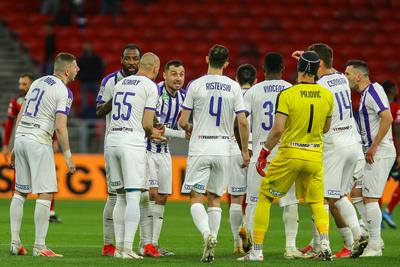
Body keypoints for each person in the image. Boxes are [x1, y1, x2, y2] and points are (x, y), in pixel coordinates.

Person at [238, 51, 334, 262]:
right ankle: (318, 243)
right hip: (313, 154)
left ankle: (255, 249)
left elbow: (269, 127)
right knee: (309, 201)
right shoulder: (326, 94)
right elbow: (326, 128)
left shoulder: (271, 93)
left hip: (284, 152)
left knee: (260, 198)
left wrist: (260, 152)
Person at [179, 44, 250, 263]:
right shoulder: (234, 86)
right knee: (216, 198)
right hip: (223, 148)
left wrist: (189, 127)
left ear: (206, 58)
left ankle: (206, 235)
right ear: (227, 63)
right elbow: (242, 122)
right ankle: (214, 240)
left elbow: (183, 120)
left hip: (201, 146)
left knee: (195, 197)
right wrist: (245, 150)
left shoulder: (195, 85)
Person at [294, 44, 365, 258]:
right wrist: (307, 60)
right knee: (338, 196)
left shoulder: (320, 86)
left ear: (320, 64)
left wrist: (305, 69)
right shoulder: (342, 78)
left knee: (322, 198)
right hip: (352, 142)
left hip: (334, 144)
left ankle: (342, 241)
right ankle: (347, 238)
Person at [9, 52, 78, 257]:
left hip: (21, 137)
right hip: (39, 140)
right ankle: (40, 247)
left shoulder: (37, 82)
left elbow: (21, 112)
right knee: (46, 192)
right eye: (75, 67)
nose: (78, 70)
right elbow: (60, 126)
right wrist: (68, 156)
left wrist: (15, 143)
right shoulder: (64, 91)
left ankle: (15, 242)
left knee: (20, 192)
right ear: (66, 70)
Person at [238, 54, 302, 259]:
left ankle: (254, 250)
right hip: (286, 152)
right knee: (290, 201)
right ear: (283, 68)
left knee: (256, 200)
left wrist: (244, 150)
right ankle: (291, 247)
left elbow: (240, 121)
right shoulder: (292, 90)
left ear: (263, 69)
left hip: (260, 150)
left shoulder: (252, 92)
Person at [104, 52, 162, 260]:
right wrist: (155, 133)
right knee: (134, 196)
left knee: (119, 196)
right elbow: (147, 124)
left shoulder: (121, 83)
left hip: (112, 141)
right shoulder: (150, 86)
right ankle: (127, 248)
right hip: (131, 143)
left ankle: (119, 248)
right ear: (155, 68)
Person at [345, 60, 396, 257]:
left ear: (359, 76)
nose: (346, 77)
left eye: (348, 74)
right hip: (373, 151)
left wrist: (373, 147)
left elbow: (387, 117)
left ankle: (374, 245)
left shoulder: (374, 91)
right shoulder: (366, 94)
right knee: (356, 192)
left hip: (380, 151)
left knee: (370, 198)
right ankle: (375, 236)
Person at [96, 43, 141, 257]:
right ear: (121, 59)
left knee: (132, 195)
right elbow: (98, 110)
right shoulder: (110, 81)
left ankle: (126, 243)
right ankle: (109, 244)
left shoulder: (144, 83)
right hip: (113, 143)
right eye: (128, 58)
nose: (132, 63)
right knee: (114, 196)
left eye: (135, 59)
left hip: (135, 143)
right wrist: (119, 97)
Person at [141, 60, 187, 257]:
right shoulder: (156, 92)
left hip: (164, 151)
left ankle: (154, 243)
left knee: (163, 196)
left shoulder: (184, 97)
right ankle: (145, 245)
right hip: (147, 150)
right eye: (174, 74)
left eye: (182, 74)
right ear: (165, 76)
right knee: (150, 194)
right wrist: (186, 134)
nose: (178, 78)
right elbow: (156, 125)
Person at [3, 73, 62, 224]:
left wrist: (54, 139)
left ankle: (50, 212)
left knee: (44, 180)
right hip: (32, 141)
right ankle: (21, 214)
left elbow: (51, 120)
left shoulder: (35, 99)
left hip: (31, 141)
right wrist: (6, 145)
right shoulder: (16, 101)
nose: (21, 87)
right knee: (43, 181)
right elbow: (10, 124)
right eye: (20, 84)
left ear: (31, 85)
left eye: (24, 84)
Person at [228, 63, 256, 254]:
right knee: (254, 199)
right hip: (255, 147)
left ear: (236, 80)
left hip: (234, 148)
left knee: (235, 198)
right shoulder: (259, 94)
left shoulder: (232, 95)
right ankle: (249, 230)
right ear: (255, 80)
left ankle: (237, 245)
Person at [381, 80, 400, 229]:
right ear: (392, 90)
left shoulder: (380, 107)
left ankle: (381, 216)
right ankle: (387, 211)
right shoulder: (395, 108)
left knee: (379, 185)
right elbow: (398, 132)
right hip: (393, 151)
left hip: (381, 150)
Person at [78, 43, 104, 116]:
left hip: (95, 81)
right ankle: (85, 114)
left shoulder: (97, 58)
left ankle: (98, 113)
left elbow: (101, 69)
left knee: (97, 99)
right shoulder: (81, 59)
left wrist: (98, 78)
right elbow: (78, 70)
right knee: (84, 100)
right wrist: (81, 78)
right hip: (85, 82)